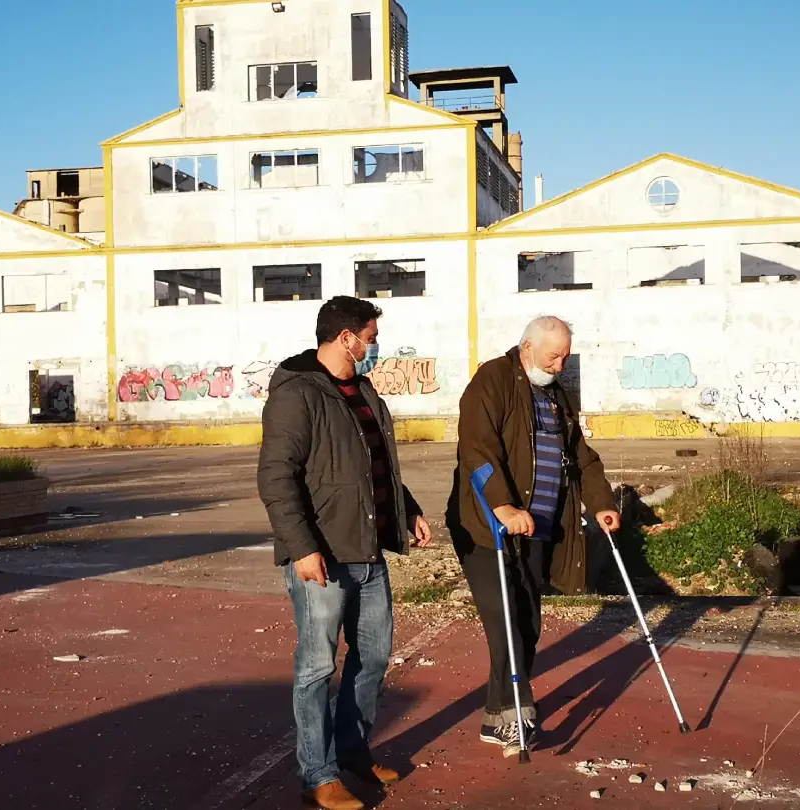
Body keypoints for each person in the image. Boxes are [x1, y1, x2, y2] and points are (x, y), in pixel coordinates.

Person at [258, 295, 433, 810]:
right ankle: (318, 773)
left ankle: (353, 751)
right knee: (316, 667)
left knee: (373, 657)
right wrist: (301, 547)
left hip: (367, 552)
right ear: (345, 337)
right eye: (370, 338)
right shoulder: (298, 394)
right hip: (322, 556)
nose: (374, 348)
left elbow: (373, 465)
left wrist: (409, 509)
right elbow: (276, 476)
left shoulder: (362, 389)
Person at [445, 315, 621, 757]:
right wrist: (503, 505)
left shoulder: (556, 394)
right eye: (553, 356)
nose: (561, 364)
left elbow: (579, 454)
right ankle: (516, 718)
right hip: (487, 528)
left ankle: (494, 719)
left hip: (538, 528)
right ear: (527, 347)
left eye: (564, 356)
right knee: (505, 624)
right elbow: (477, 448)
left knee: (527, 625)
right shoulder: (494, 379)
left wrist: (600, 503)